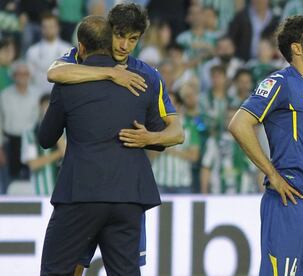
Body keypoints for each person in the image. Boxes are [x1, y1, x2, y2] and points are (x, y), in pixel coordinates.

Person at [39, 15, 184, 276]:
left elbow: (176, 132)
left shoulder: (147, 76)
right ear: (108, 34)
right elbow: (54, 72)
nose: (124, 46)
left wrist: (150, 138)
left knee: (59, 267)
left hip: (82, 191)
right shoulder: (80, 62)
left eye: (133, 39)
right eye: (120, 36)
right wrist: (110, 74)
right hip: (128, 194)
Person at [228, 15, 303, 275]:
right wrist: (272, 175)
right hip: (290, 203)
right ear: (297, 48)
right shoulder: (280, 82)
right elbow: (239, 124)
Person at [21, 94, 65, 195]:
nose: (49, 112)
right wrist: (59, 153)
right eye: (46, 108)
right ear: (40, 109)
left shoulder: (65, 131)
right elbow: (33, 164)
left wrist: (56, 127)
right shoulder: (30, 133)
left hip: (61, 193)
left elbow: (67, 154)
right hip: (39, 193)